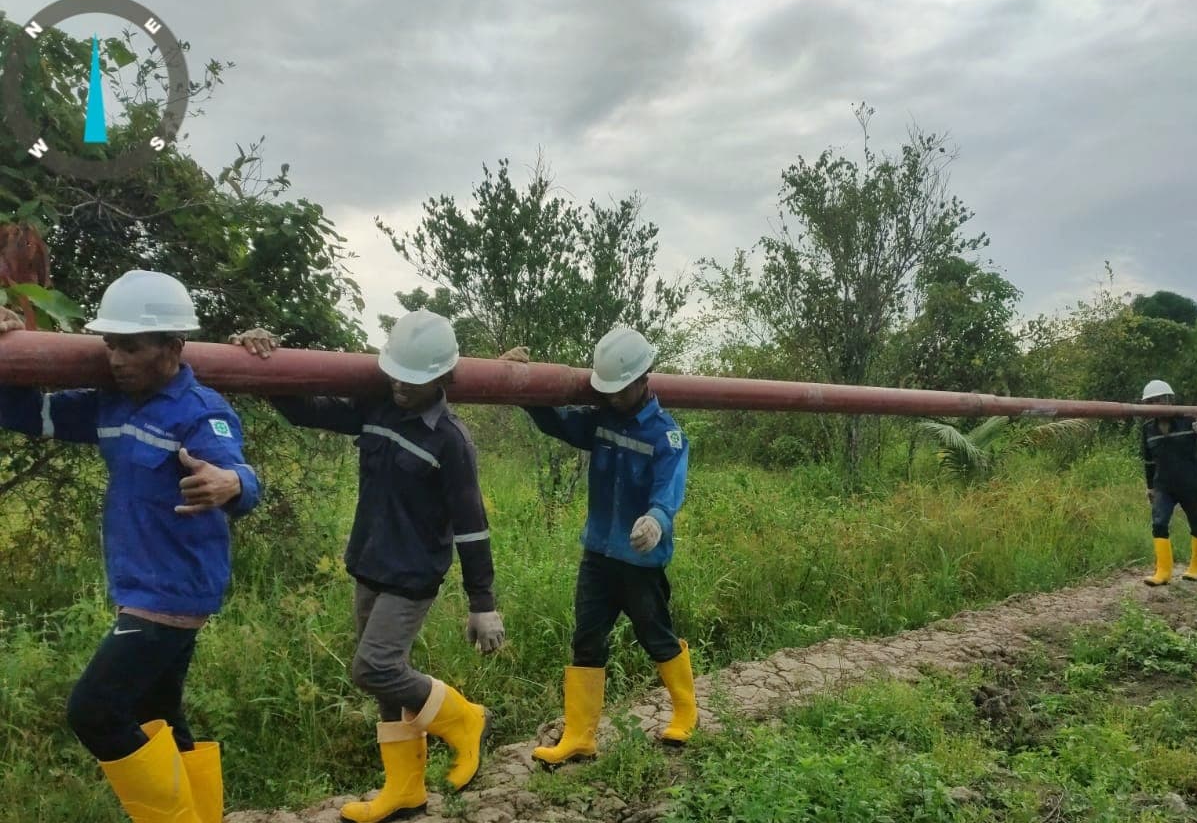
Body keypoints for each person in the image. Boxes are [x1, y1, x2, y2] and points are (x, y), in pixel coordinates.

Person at [0, 270, 261, 823]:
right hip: (144, 587)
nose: (116, 358)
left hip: (172, 591)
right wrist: (8, 346)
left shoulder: (199, 410)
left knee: (93, 712)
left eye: (131, 347)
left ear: (173, 347)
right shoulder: (109, 406)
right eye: (111, 345)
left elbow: (235, 467)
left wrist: (232, 483)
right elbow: (23, 414)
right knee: (157, 714)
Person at [232, 311, 502, 823]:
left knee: (373, 668)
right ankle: (404, 790)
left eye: (415, 378)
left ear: (442, 378)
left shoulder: (450, 440)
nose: (401, 384)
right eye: (396, 371)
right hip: (370, 564)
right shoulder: (376, 405)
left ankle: (465, 718)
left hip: (413, 576)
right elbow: (305, 411)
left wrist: (482, 604)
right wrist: (261, 360)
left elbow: (472, 526)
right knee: (385, 685)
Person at [500, 326, 696, 767]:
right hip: (598, 556)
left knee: (656, 636)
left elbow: (669, 490)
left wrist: (656, 521)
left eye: (620, 390)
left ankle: (686, 710)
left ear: (644, 379)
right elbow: (559, 422)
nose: (612, 397)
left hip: (640, 562)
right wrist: (522, 382)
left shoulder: (667, 436)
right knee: (586, 641)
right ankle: (580, 736)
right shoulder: (603, 419)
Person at [1138, 379, 1197, 585]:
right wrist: (1150, 486)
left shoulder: (1188, 420)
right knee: (1159, 524)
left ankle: (1195, 567)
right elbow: (1148, 460)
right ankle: (1163, 572)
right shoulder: (1148, 427)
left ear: (1169, 400)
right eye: (1150, 402)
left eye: (1157, 400)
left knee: (1196, 524)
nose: (1154, 406)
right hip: (1163, 486)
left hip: (1191, 484)